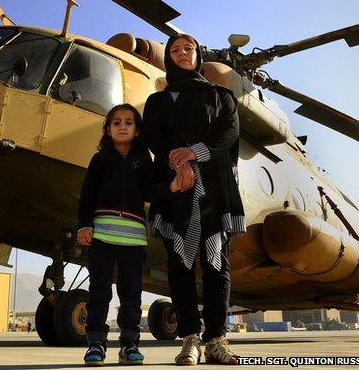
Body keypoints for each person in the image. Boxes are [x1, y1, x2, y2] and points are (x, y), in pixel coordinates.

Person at [143, 34, 246, 365]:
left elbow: (228, 133)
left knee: (218, 266)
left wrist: (193, 153)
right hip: (175, 192)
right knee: (180, 265)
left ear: (198, 55)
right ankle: (190, 339)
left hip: (214, 192)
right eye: (175, 50)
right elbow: (154, 138)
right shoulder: (158, 102)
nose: (182, 53)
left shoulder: (221, 95)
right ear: (168, 59)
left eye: (188, 49)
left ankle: (216, 339)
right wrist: (180, 162)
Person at [77, 104, 180, 366]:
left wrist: (171, 186)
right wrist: (84, 225)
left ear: (137, 130)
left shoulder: (143, 161)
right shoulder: (99, 160)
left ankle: (129, 344)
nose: (122, 126)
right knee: (99, 291)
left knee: (131, 294)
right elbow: (87, 196)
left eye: (129, 122)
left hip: (133, 240)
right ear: (107, 129)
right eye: (116, 122)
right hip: (102, 237)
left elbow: (149, 192)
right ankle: (96, 344)